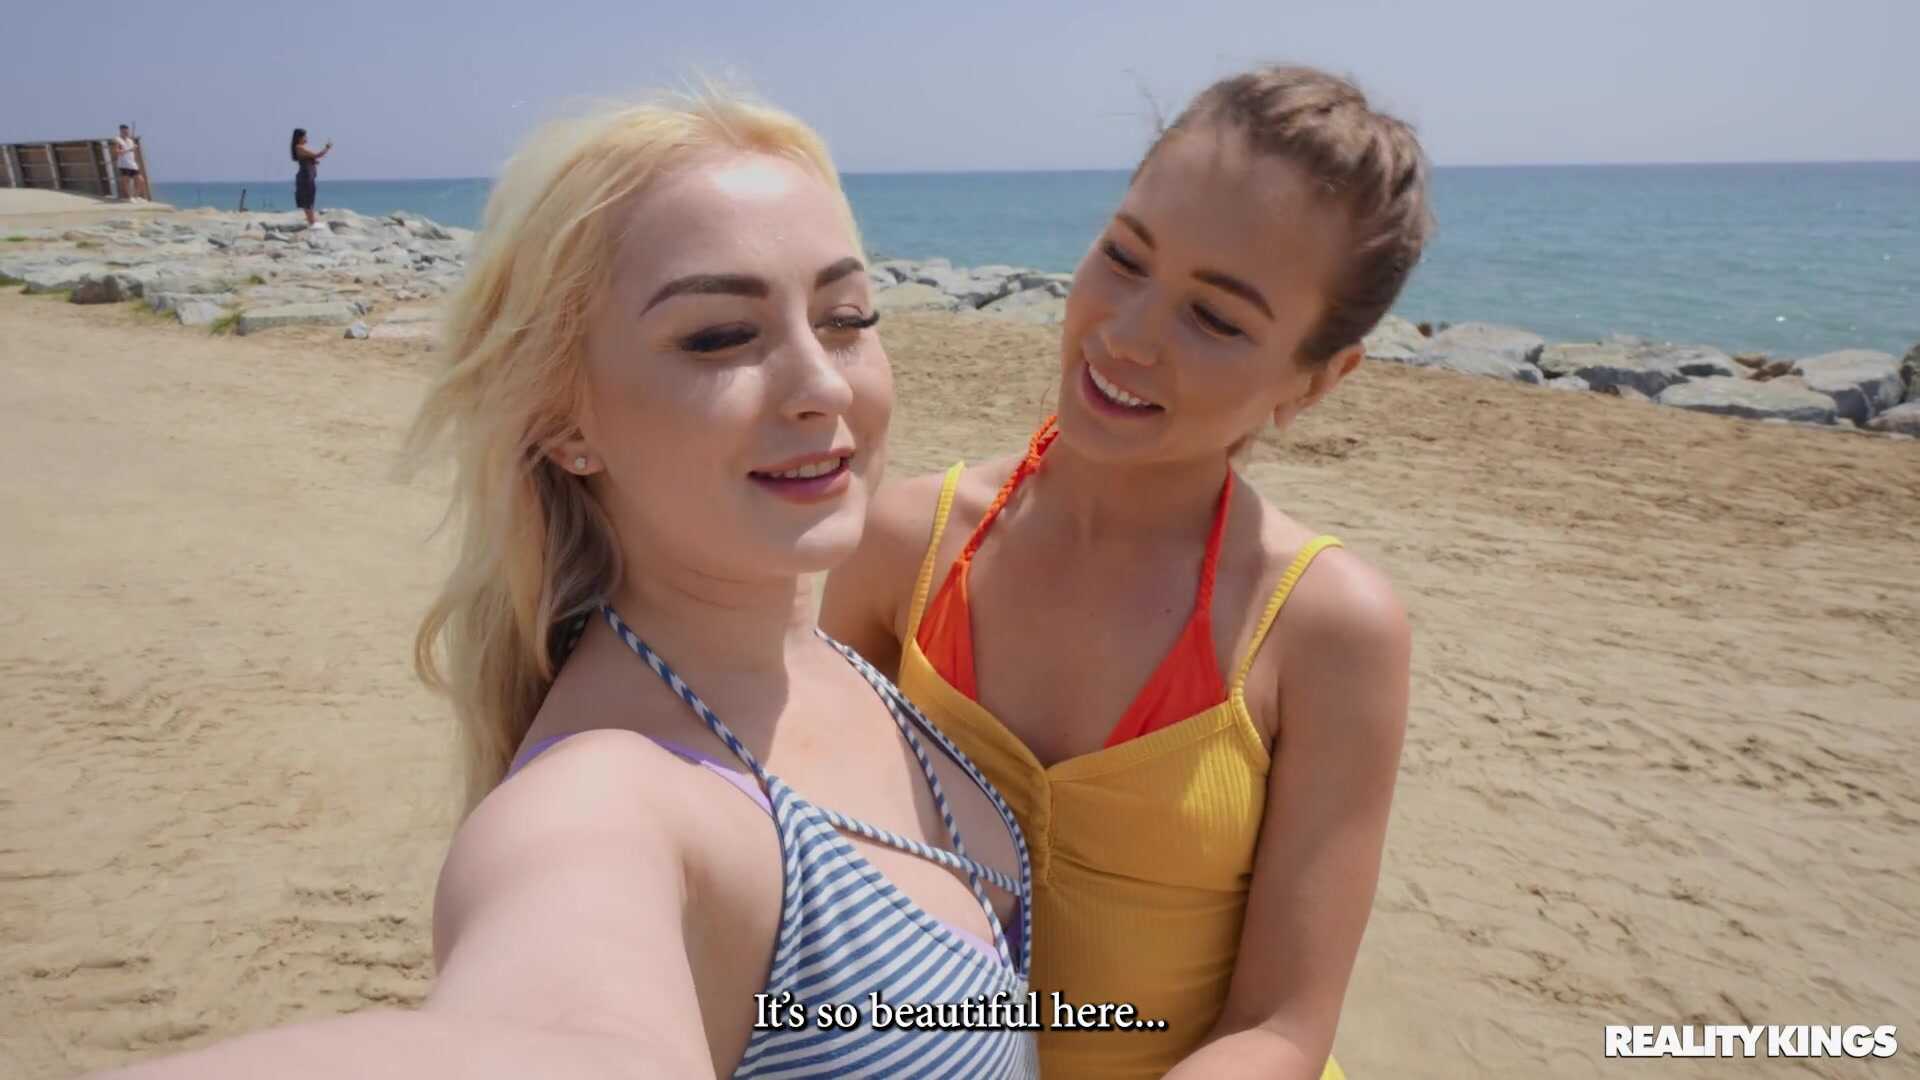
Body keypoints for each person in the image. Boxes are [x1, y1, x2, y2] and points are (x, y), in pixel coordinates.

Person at [94, 90, 1035, 1079]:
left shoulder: (842, 652)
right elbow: (556, 1031)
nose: (825, 385)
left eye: (845, 318)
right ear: (563, 419)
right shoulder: (602, 805)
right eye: (719, 336)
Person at [821, 63, 1430, 1080]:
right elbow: (808, 867)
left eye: (1217, 319)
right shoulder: (903, 546)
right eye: (1124, 257)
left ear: (1318, 379)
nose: (1128, 334)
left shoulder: (1325, 630)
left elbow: (1281, 1026)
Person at [290, 128, 332, 226]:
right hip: (305, 176)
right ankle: (312, 221)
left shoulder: (300, 148)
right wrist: (327, 148)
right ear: (299, 138)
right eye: (304, 136)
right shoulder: (299, 147)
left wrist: (313, 162)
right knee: (307, 199)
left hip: (307, 176)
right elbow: (317, 155)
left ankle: (311, 220)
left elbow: (309, 159)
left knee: (309, 198)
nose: (306, 138)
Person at [112, 124, 148, 202]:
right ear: (121, 131)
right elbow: (117, 152)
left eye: (127, 131)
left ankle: (136, 196)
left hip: (132, 164)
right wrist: (129, 149)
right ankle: (129, 197)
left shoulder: (130, 140)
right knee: (126, 181)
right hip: (124, 164)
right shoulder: (117, 140)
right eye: (124, 131)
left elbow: (133, 152)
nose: (126, 132)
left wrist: (135, 158)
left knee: (141, 180)